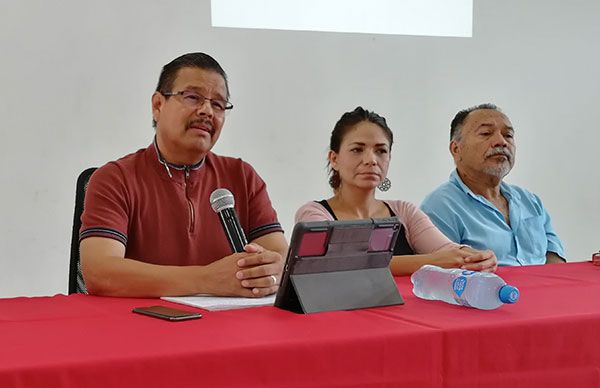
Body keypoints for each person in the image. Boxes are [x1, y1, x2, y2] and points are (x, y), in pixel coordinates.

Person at [80, 53, 287, 297]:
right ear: (158, 105)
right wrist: (206, 279)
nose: (207, 111)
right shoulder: (115, 178)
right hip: (144, 327)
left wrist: (271, 270)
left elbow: (282, 258)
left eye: (218, 104)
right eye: (192, 97)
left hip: (227, 328)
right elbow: (101, 273)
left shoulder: (242, 176)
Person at [295, 107, 497, 275]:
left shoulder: (404, 211)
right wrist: (432, 261)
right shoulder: (314, 214)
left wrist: (475, 257)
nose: (371, 160)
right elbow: (336, 265)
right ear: (334, 159)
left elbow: (446, 250)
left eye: (381, 151)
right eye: (357, 149)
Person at [421, 103, 565, 266]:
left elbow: (555, 259)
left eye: (508, 135)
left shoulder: (530, 201)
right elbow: (444, 276)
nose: (501, 142)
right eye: (486, 133)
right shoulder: (440, 206)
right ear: (456, 149)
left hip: (545, 289)